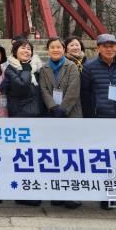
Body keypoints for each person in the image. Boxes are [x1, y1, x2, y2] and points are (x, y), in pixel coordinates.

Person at [80, 34, 116, 211]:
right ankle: (109, 195)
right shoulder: (89, 67)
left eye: (112, 46)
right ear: (98, 48)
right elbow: (85, 94)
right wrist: (91, 117)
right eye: (105, 46)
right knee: (106, 159)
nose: (109, 49)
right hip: (101, 119)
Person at [38, 37, 83, 209]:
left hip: (71, 114)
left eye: (59, 47)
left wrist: (63, 109)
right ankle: (57, 192)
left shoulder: (71, 66)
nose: (56, 50)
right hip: (53, 115)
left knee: (72, 156)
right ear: (48, 50)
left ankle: (73, 194)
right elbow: (43, 89)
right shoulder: (44, 69)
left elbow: (73, 89)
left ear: (64, 49)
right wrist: (53, 107)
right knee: (55, 156)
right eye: (52, 47)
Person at [3, 38, 43, 207]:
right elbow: (21, 86)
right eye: (22, 48)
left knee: (33, 156)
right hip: (20, 116)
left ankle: (32, 189)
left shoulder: (37, 68)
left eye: (29, 49)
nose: (26, 51)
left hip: (36, 115)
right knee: (22, 156)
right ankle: (22, 193)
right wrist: (26, 68)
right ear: (15, 52)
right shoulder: (10, 68)